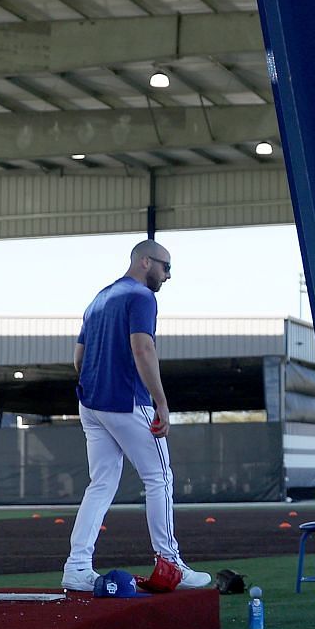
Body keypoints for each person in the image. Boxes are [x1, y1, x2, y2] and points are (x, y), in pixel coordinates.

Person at [61, 239, 213, 593]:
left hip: (92, 402)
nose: (168, 275)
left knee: (100, 485)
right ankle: (170, 562)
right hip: (127, 401)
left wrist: (94, 385)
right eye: (165, 266)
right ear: (145, 262)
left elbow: (79, 357)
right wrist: (161, 402)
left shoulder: (98, 299)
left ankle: (77, 566)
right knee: (159, 478)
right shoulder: (142, 297)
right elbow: (143, 348)